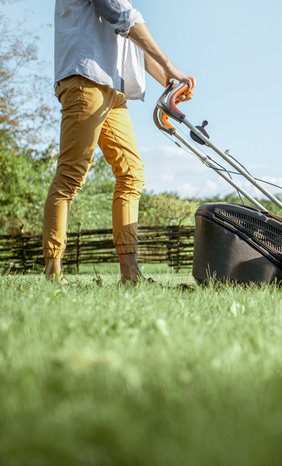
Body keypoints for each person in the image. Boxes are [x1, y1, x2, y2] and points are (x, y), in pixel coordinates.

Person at [45, 0, 195, 284]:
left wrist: (169, 80)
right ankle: (53, 275)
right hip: (84, 79)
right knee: (70, 177)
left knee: (132, 174)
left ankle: (130, 274)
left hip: (111, 88)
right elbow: (125, 17)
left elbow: (131, 39)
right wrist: (171, 67)